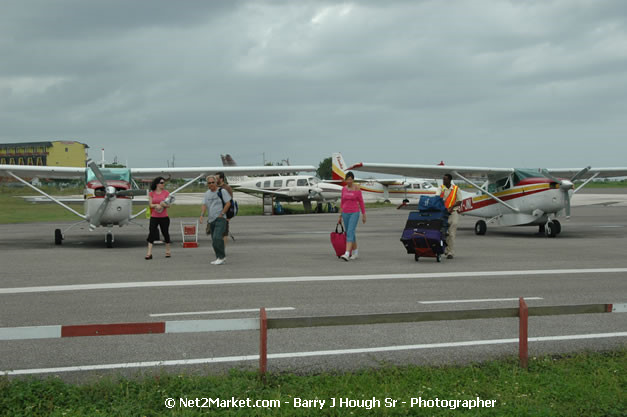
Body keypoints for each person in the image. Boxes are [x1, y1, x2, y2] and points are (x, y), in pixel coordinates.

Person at [199, 175, 231, 265]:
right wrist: (202, 215)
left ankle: (222, 257)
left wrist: (222, 213)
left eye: (213, 182)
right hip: (211, 219)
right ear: (207, 184)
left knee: (217, 237)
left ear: (216, 182)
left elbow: (228, 203)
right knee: (214, 240)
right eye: (209, 183)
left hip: (220, 219)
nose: (211, 184)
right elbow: (204, 205)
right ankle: (218, 257)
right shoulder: (207, 193)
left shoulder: (222, 191)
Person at [338, 171, 366, 261]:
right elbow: (342, 203)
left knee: (350, 231)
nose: (349, 181)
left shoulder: (357, 189)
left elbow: (361, 202)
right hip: (345, 213)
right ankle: (356, 252)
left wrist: (363, 214)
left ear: (353, 180)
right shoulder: (344, 189)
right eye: (348, 179)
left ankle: (347, 253)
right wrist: (340, 216)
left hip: (354, 212)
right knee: (350, 233)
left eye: (351, 179)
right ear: (346, 180)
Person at [145, 176, 171, 259]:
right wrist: (156, 205)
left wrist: (164, 205)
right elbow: (150, 204)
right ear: (157, 184)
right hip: (154, 217)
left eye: (164, 183)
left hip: (164, 217)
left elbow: (169, 205)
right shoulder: (151, 193)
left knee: (165, 233)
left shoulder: (166, 193)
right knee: (151, 233)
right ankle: (149, 253)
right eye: (162, 183)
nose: (163, 184)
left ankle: (168, 251)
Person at [441, 173, 462, 259]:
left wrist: (451, 207)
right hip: (443, 213)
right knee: (443, 233)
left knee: (452, 233)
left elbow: (459, 201)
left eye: (445, 179)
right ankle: (445, 249)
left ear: (450, 180)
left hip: (453, 212)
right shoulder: (441, 188)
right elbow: (437, 198)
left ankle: (450, 252)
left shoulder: (456, 189)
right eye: (443, 179)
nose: (443, 180)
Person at [216, 172, 234, 245]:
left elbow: (230, 202)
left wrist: (229, 216)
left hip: (224, 214)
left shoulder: (227, 188)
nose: (215, 180)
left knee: (224, 233)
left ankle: (222, 249)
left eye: (216, 178)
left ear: (221, 179)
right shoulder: (214, 187)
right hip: (215, 214)